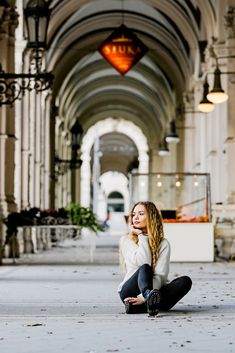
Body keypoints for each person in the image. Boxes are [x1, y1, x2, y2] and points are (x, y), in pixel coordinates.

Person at [118, 201, 192, 316]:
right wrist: (142, 237)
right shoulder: (126, 240)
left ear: (151, 217)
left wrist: (143, 298)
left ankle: (142, 305)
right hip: (130, 291)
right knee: (145, 268)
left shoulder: (163, 244)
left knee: (185, 281)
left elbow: (160, 275)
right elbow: (143, 262)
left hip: (156, 290)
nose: (135, 217)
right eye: (133, 214)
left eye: (141, 214)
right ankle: (150, 300)